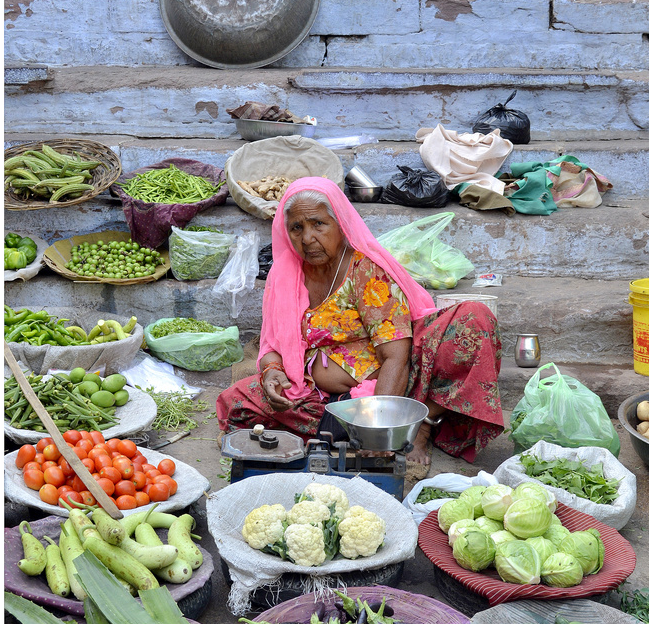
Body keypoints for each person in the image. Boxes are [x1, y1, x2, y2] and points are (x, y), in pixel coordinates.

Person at [216, 176, 504, 477]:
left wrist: (377, 426)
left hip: (395, 381)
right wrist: (271, 371)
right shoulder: (285, 274)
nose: (307, 238)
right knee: (237, 402)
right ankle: (346, 426)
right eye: (296, 228)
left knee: (473, 320)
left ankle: (419, 423)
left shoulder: (364, 269)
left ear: (339, 223)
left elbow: (395, 355)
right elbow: (273, 343)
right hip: (317, 390)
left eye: (318, 224)